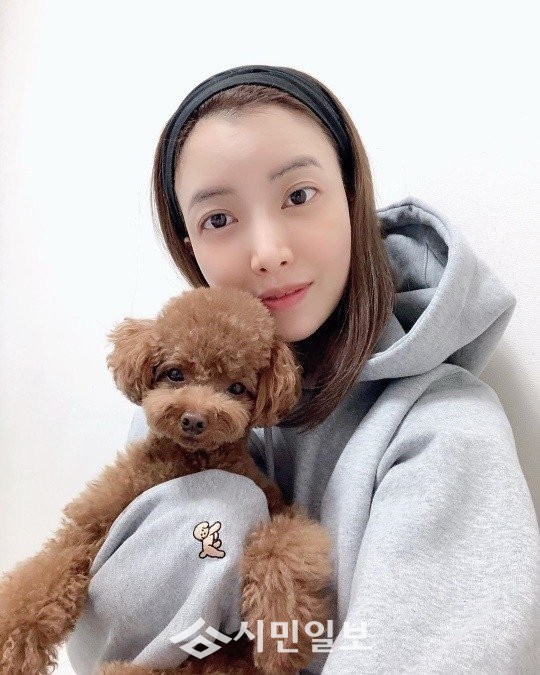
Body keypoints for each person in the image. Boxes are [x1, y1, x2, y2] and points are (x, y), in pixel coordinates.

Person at [66, 65, 540, 673]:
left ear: (351, 195)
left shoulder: (442, 431)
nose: (268, 252)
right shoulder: (177, 406)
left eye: (298, 196)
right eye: (218, 219)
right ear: (189, 244)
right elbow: (100, 640)